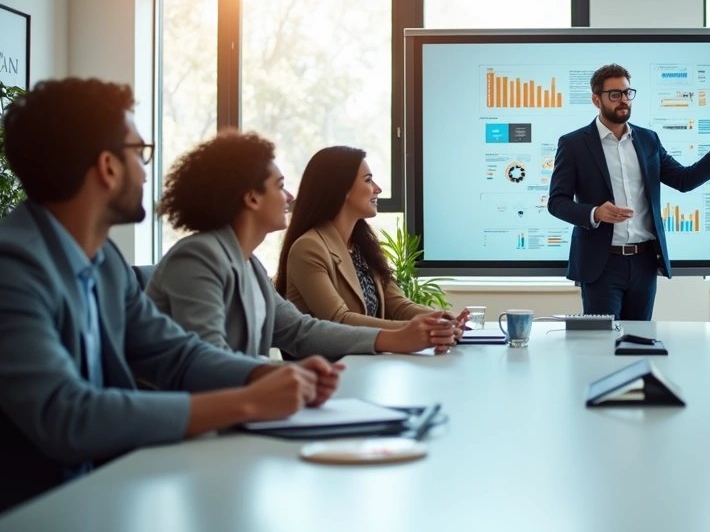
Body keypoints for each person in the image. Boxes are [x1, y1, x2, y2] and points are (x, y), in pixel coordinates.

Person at [0, 79, 339, 513]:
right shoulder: (13, 267)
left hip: (106, 492)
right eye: (140, 155)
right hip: (36, 510)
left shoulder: (104, 262)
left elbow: (177, 355)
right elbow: (66, 414)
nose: (146, 172)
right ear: (107, 167)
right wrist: (248, 401)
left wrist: (261, 377)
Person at [146, 132, 457, 358]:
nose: (290, 197)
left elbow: (300, 331)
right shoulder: (196, 258)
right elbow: (209, 361)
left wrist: (401, 336)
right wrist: (290, 376)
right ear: (252, 197)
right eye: (280, 187)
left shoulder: (249, 265)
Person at [547, 63, 710, 321]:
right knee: (601, 347)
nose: (624, 100)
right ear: (597, 99)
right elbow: (557, 202)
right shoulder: (573, 144)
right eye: (615, 94)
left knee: (639, 342)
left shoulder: (648, 139)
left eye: (628, 93)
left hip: (644, 263)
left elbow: (682, 180)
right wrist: (596, 213)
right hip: (601, 264)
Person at [274, 146, 469, 328]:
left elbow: (398, 305)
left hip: (368, 360)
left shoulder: (362, 245)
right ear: (342, 190)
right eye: (368, 180)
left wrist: (441, 319)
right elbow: (339, 320)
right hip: (332, 364)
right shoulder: (308, 248)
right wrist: (414, 330)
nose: (378, 189)